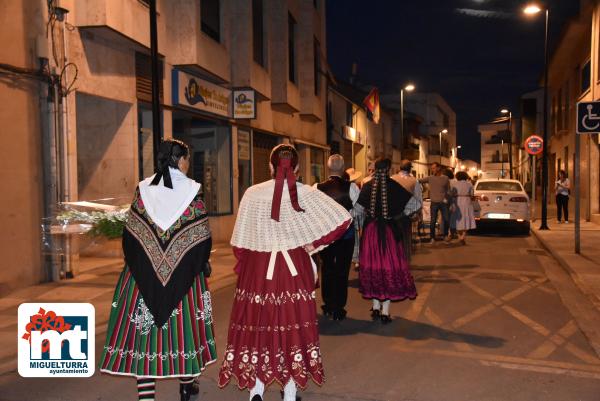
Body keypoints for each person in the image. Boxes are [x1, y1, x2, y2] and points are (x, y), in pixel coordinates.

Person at [218, 145, 352, 401]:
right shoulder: (306, 193)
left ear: (269, 167)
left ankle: (256, 390)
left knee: (259, 324)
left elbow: (240, 244)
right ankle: (289, 393)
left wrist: (247, 265)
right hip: (293, 265)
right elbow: (343, 218)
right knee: (291, 326)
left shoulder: (252, 194)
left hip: (258, 266)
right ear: (298, 169)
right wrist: (312, 244)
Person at [100, 139, 217, 401]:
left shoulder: (142, 189)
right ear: (182, 160)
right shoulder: (193, 190)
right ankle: (187, 387)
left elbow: (130, 236)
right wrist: (196, 264)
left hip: (142, 279)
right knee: (184, 335)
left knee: (145, 340)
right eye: (186, 160)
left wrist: (146, 265)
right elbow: (202, 237)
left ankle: (146, 397)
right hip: (185, 280)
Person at [357, 158, 417, 324]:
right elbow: (415, 205)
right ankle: (385, 311)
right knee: (388, 267)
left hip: (370, 232)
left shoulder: (368, 186)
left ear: (375, 169)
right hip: (389, 232)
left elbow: (357, 210)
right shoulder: (395, 187)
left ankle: (376, 307)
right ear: (389, 169)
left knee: (374, 267)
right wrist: (398, 216)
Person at [315, 155, 361, 320]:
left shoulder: (317, 187)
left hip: (325, 236)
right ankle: (339, 308)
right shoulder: (352, 188)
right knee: (342, 271)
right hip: (345, 236)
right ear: (342, 169)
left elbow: (314, 211)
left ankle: (327, 304)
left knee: (327, 269)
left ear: (328, 168)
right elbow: (359, 210)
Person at [391, 160, 423, 261]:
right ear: (410, 169)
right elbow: (418, 200)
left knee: (393, 238)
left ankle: (394, 260)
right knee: (405, 239)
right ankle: (404, 261)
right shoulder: (414, 181)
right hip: (406, 215)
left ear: (399, 168)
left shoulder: (391, 178)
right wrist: (416, 213)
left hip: (392, 214)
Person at [419, 162, 451, 243]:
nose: (432, 170)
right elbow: (418, 181)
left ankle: (445, 236)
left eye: (433, 168)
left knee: (446, 219)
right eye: (432, 168)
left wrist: (447, 198)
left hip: (443, 203)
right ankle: (432, 238)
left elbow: (448, 190)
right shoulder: (430, 178)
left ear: (438, 168)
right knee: (433, 221)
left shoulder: (445, 178)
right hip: (434, 203)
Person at [451, 171, 477, 245]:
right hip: (467, 201)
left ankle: (459, 236)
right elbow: (472, 194)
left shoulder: (454, 184)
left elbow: (452, 194)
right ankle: (463, 236)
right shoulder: (469, 184)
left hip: (458, 201)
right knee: (466, 219)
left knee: (457, 219)